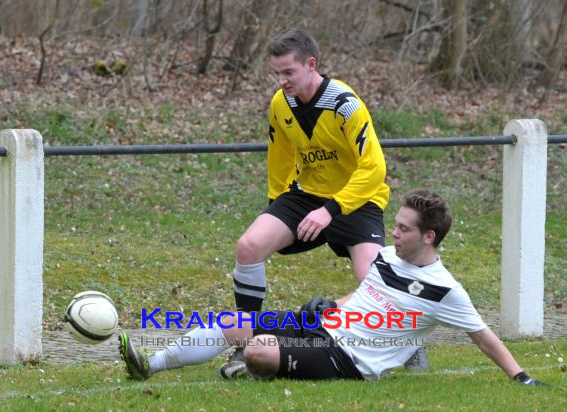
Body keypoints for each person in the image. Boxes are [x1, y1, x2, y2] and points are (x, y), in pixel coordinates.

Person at [119, 189, 545, 385]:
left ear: (429, 236)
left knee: (257, 351)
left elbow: (482, 335)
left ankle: (253, 366)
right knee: (235, 323)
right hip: (326, 327)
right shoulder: (387, 260)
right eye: (394, 224)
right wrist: (325, 309)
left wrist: (521, 376)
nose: (392, 233)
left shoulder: (445, 290)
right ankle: (150, 364)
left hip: (351, 359)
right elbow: (363, 297)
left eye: (402, 228)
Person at [224, 27, 390, 377]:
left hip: (358, 199)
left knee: (374, 282)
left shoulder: (346, 105)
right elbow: (280, 157)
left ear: (311, 64)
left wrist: (331, 210)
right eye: (276, 73)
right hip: (307, 195)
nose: (282, 81)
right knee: (249, 245)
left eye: (289, 72)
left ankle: (400, 345)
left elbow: (374, 168)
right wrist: (275, 204)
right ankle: (246, 344)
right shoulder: (280, 103)